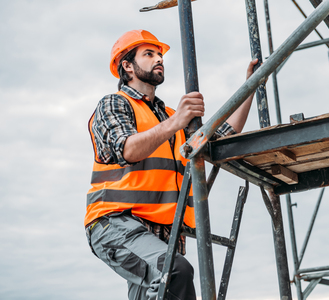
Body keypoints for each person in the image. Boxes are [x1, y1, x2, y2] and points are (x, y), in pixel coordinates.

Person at [84, 29, 257, 300]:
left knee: (161, 290)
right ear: (127, 66)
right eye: (149, 54)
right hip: (116, 223)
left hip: (163, 232)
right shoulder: (115, 104)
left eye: (160, 54)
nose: (158, 59)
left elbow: (221, 138)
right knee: (174, 272)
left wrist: (251, 87)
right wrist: (177, 122)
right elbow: (127, 148)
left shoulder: (170, 117)